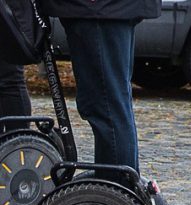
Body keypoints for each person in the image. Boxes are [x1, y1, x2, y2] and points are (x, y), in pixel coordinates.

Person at [42, 0, 159, 175]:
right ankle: (119, 189)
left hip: (99, 9)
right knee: (112, 105)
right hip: (100, 9)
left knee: (108, 108)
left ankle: (116, 191)